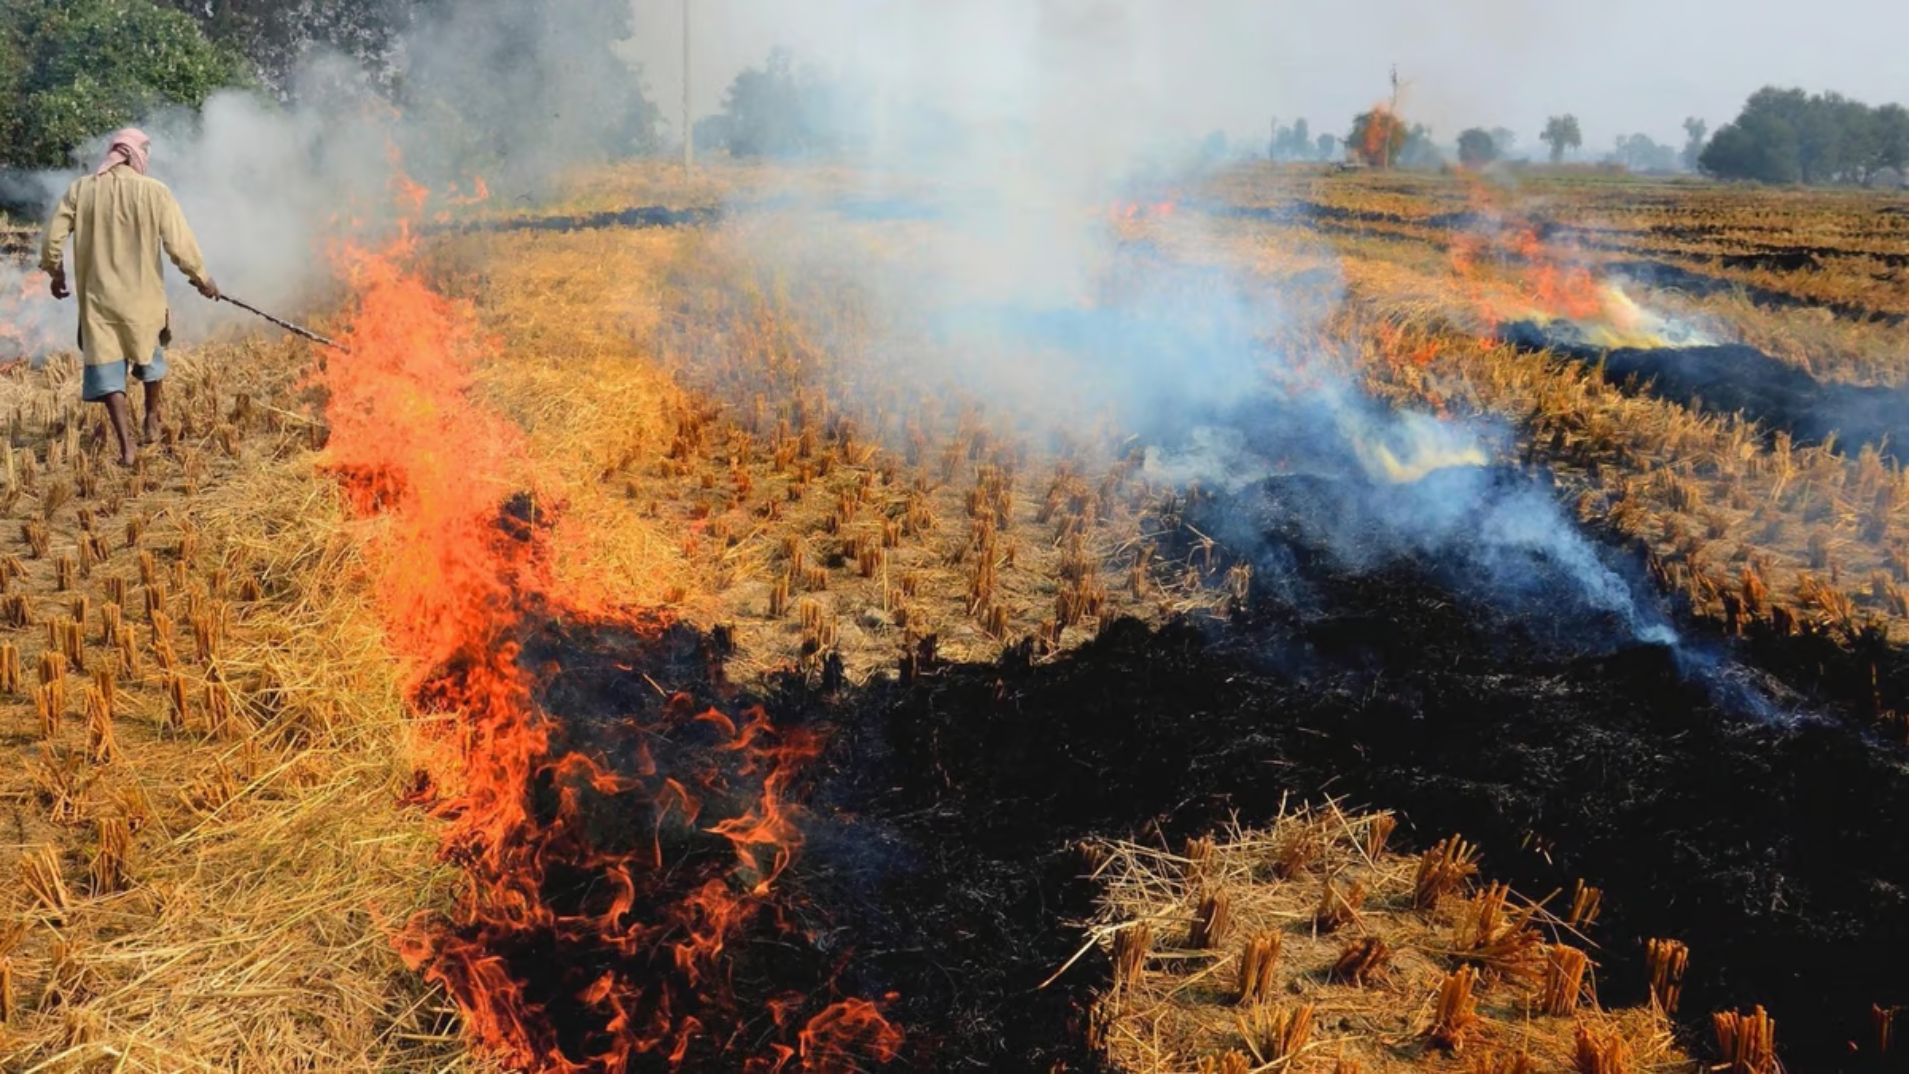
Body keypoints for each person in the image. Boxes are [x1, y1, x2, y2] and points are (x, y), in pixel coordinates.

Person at [38, 128, 219, 466]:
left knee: (107, 371)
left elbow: (52, 239)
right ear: (138, 155)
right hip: (143, 299)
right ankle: (151, 417)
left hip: (99, 301)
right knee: (150, 359)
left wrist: (55, 272)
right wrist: (202, 278)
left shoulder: (81, 189)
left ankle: (127, 447)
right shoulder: (155, 191)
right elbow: (179, 244)